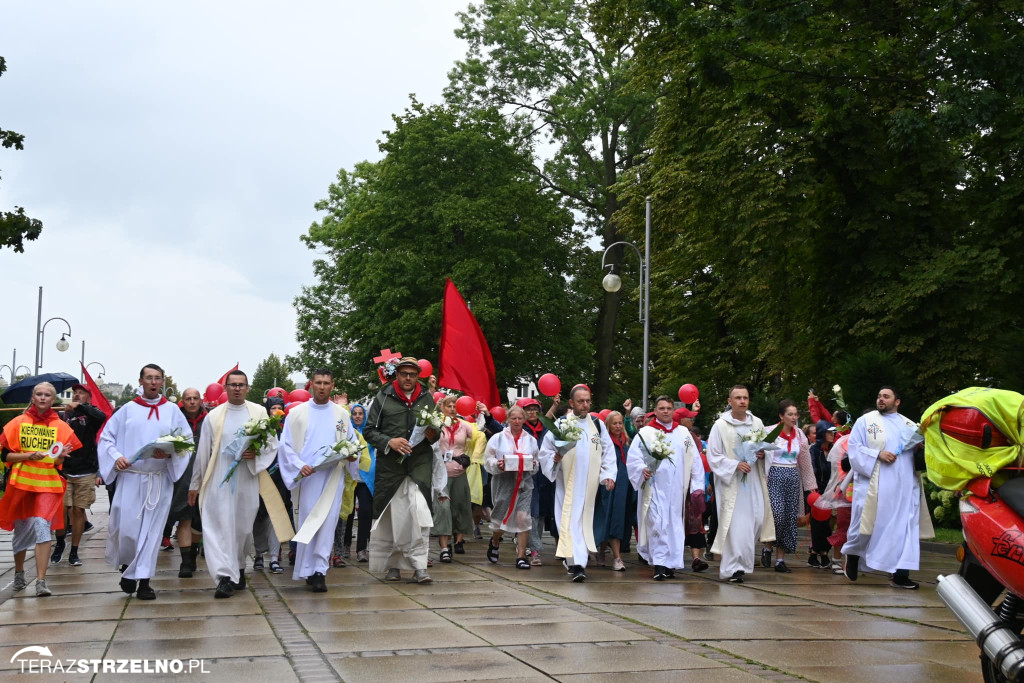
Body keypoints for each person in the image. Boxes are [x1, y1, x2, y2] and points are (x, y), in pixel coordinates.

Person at [99, 364, 193, 600]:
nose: (153, 382)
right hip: (131, 478)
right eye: (148, 378)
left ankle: (144, 582)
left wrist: (171, 453)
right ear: (140, 381)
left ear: (162, 382)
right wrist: (117, 458)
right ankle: (128, 567)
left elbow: (186, 441)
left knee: (152, 533)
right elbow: (106, 438)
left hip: (158, 480)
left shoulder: (172, 410)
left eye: (157, 378)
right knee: (128, 530)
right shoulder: (127, 411)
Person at [189, 371, 280, 599]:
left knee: (242, 527)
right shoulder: (214, 416)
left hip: (247, 477)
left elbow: (271, 443)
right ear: (225, 388)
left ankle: (238, 566)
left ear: (247, 388)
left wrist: (255, 454)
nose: (237, 389)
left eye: (241, 385)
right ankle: (223, 577)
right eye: (233, 385)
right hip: (219, 477)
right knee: (219, 527)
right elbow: (203, 452)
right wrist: (195, 483)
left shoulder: (258, 412)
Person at [278, 369, 360, 592]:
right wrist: (298, 466)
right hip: (309, 478)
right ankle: (306, 567)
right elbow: (285, 447)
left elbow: (352, 443)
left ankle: (319, 571)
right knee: (308, 522)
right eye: (318, 383)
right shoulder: (297, 414)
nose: (322, 387)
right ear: (310, 385)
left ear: (332, 386)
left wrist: (353, 455)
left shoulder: (341, 415)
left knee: (328, 523)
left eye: (326, 383)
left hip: (332, 477)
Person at [363, 356, 443, 584]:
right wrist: (390, 442)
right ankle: (394, 566)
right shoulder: (383, 396)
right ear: (396, 374)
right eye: (404, 373)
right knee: (393, 518)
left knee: (420, 515)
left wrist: (432, 434)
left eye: (413, 374)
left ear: (418, 376)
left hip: (419, 466)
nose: (408, 378)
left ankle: (420, 567)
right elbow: (369, 431)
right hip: (391, 469)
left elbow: (436, 429)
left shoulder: (427, 397)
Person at [0, 382, 82, 596]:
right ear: (33, 397)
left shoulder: (62, 427)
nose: (43, 398)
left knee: (42, 527)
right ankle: (19, 572)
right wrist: (28, 455)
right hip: (22, 485)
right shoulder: (18, 423)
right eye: (39, 394)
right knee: (21, 531)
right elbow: (5, 456)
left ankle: (41, 581)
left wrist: (61, 455)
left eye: (47, 394)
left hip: (48, 485)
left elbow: (57, 463)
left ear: (53, 399)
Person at [842, 386, 926, 589]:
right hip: (874, 484)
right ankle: (853, 555)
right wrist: (877, 454)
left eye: (886, 397)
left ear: (897, 401)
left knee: (905, 529)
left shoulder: (909, 425)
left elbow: (917, 456)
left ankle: (900, 575)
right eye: (879, 396)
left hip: (903, 486)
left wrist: (919, 448)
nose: (881, 399)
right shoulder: (866, 421)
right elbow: (853, 449)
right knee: (866, 525)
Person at [537, 384, 617, 583]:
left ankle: (577, 562)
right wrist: (554, 460)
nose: (585, 405)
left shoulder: (597, 425)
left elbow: (608, 452)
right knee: (570, 522)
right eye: (580, 401)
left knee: (584, 523)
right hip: (568, 484)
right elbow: (545, 451)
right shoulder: (561, 425)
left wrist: (608, 475)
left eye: (588, 401)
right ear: (571, 403)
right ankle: (577, 564)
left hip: (589, 485)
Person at [627, 396, 707, 580]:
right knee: (657, 524)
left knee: (674, 526)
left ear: (673, 410)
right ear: (655, 411)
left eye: (669, 408)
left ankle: (670, 563)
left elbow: (695, 461)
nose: (665, 411)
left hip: (677, 489)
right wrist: (642, 470)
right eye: (661, 408)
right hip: (654, 487)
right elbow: (634, 457)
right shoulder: (646, 433)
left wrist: (696, 487)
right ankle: (660, 564)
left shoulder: (684, 434)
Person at [706, 385, 775, 583]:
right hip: (732, 482)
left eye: (745, 397)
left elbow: (765, 449)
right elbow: (714, 455)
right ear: (730, 401)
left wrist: (762, 454)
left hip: (753, 480)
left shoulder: (757, 423)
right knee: (736, 526)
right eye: (737, 398)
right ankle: (734, 569)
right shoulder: (720, 425)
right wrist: (735, 464)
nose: (742, 401)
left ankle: (742, 563)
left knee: (757, 520)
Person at [52, 383, 106, 567]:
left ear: (88, 397)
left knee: (78, 510)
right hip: (64, 470)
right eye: (75, 393)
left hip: (85, 470)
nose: (76, 395)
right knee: (62, 511)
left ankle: (74, 550)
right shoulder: (63, 415)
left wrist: (81, 407)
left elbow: (102, 416)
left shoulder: (92, 415)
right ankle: (59, 544)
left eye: (81, 393)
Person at [760, 400, 817, 573]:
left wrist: (810, 486)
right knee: (776, 514)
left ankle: (780, 559)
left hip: (793, 476)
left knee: (789, 518)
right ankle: (767, 546)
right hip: (774, 475)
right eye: (790, 414)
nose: (794, 417)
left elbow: (805, 461)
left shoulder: (800, 434)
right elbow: (759, 453)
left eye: (795, 414)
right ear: (781, 416)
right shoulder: (769, 432)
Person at [483, 405, 539, 569]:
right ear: (508, 419)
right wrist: (498, 464)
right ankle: (495, 541)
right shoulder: (497, 438)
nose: (516, 421)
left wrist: (533, 464)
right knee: (500, 517)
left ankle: (521, 556)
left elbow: (536, 462)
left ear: (524, 420)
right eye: (513, 418)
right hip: (503, 482)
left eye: (520, 418)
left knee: (523, 517)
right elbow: (488, 460)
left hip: (524, 483)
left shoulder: (530, 440)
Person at [430, 395, 481, 563]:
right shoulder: (438, 424)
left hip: (459, 474)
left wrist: (481, 413)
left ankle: (457, 541)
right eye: (449, 405)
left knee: (460, 508)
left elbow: (479, 434)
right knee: (443, 509)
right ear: (443, 408)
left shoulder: (464, 426)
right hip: (441, 474)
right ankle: (444, 548)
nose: (452, 408)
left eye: (454, 406)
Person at [164, 387, 206, 578]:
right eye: (188, 398)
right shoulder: (175, 421)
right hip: (182, 475)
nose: (192, 402)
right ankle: (186, 562)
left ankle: (193, 551)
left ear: (200, 400)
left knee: (199, 520)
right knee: (184, 516)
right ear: (182, 401)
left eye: (195, 398)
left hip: (205, 475)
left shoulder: (210, 420)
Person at [593, 410, 636, 572]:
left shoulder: (627, 442)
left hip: (625, 487)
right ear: (608, 425)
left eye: (620, 423)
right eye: (614, 423)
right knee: (609, 520)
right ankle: (615, 557)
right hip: (609, 487)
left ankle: (606, 552)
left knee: (618, 520)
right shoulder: (605, 444)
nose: (617, 426)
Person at [520, 398, 554, 565]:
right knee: (531, 514)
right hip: (527, 476)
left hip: (544, 477)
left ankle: (532, 546)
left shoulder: (546, 429)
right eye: (528, 409)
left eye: (535, 409)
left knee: (539, 515)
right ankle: (534, 550)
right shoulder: (520, 428)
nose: (532, 412)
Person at [338, 402, 373, 563]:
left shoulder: (370, 433)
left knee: (365, 512)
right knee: (348, 513)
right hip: (349, 478)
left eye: (360, 413)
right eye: (355, 414)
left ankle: (361, 549)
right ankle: (345, 545)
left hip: (365, 478)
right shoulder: (347, 432)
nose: (358, 416)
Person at [808, 420, 837, 568]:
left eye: (833, 432)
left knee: (828, 524)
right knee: (818, 523)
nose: (832, 435)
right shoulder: (813, 450)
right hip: (817, 490)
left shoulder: (835, 449)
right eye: (829, 432)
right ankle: (822, 554)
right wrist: (813, 487)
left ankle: (816, 552)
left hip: (832, 490)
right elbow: (811, 469)